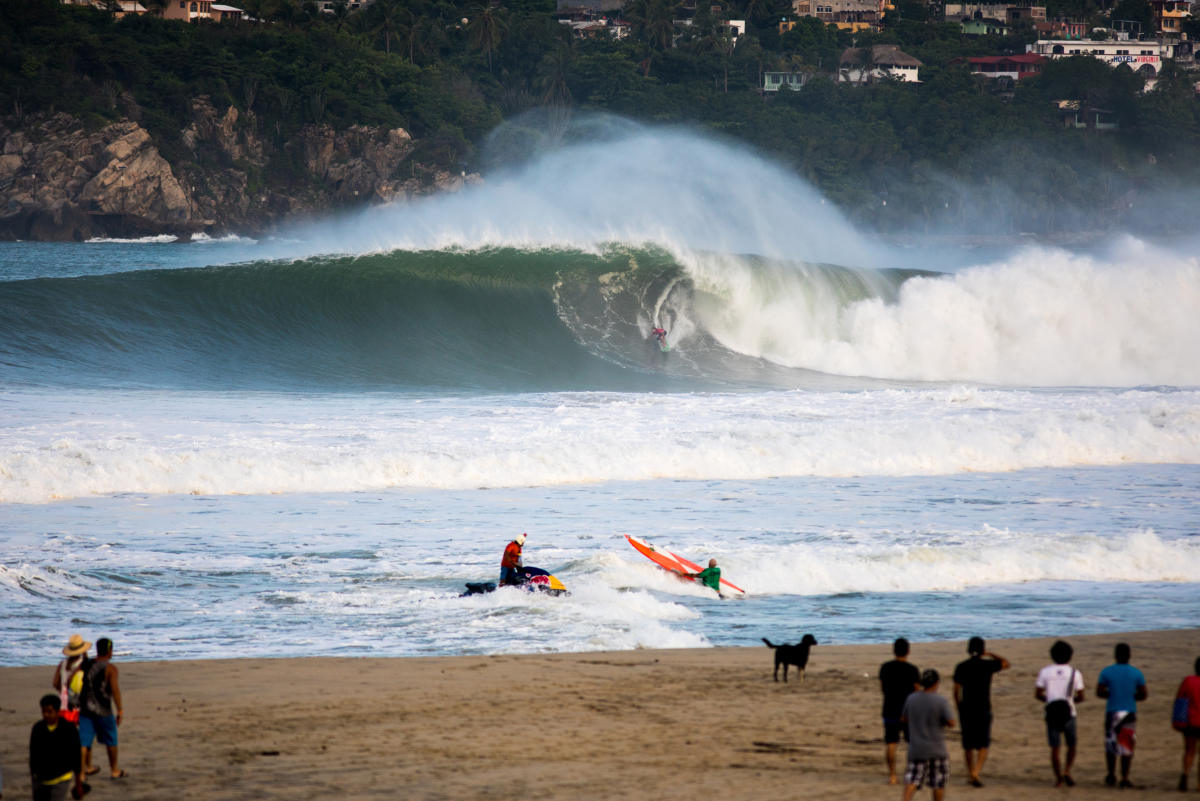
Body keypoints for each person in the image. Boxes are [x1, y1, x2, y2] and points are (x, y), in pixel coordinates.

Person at [952, 636, 1010, 788]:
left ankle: (971, 772)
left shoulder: (961, 666)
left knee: (968, 744)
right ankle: (975, 772)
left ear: (968, 649)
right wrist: (991, 654)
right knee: (983, 742)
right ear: (982, 650)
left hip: (967, 707)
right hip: (983, 706)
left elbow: (956, 691)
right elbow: (1006, 663)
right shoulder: (988, 665)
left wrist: (959, 706)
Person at [900, 669, 956, 801]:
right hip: (937, 748)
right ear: (937, 683)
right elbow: (951, 722)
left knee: (912, 779)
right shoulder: (941, 701)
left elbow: (904, 718)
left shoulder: (912, 698)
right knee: (938, 782)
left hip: (917, 748)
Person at [1035, 639, 1085, 787]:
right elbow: (1081, 696)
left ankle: (1058, 778)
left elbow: (1038, 694)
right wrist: (1069, 701)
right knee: (1071, 744)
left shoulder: (1045, 672)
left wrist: (1050, 700)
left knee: (1055, 747)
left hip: (1052, 713)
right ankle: (1067, 770)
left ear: (1052, 655)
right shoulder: (1075, 673)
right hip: (1069, 712)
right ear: (1070, 656)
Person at [1097, 642, 1147, 788]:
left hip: (1112, 711)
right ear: (1129, 656)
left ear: (1115, 656)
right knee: (1126, 746)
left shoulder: (1107, 672)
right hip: (1129, 712)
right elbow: (1143, 694)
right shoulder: (1136, 673)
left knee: (1111, 744)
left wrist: (1113, 694)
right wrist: (1131, 696)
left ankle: (1111, 774)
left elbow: (1100, 692)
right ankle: (1125, 777)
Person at [78, 637, 125, 780]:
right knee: (111, 740)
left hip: (86, 708)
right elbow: (115, 690)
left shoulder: (87, 665)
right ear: (110, 651)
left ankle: (81, 773)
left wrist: (84, 652)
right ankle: (114, 770)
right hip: (103, 709)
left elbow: (82, 663)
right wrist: (120, 709)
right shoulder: (110, 669)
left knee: (84, 742)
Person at [880, 638, 922, 785]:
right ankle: (911, 773)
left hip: (890, 708)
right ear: (908, 651)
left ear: (894, 650)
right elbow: (917, 691)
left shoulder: (885, 667)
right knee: (911, 743)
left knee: (891, 743)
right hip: (908, 710)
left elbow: (883, 688)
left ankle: (892, 775)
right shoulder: (912, 669)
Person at [29, 694, 84, 801]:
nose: (46, 715)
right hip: (41, 779)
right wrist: (34, 778)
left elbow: (76, 756)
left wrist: (78, 784)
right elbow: (33, 755)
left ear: (58, 712)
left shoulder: (69, 729)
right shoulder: (38, 728)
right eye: (43, 712)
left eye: (49, 712)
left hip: (61, 778)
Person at [1175, 656, 1200, 791]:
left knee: (1189, 751)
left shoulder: (1188, 681)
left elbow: (1180, 699)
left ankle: (1185, 774)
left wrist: (1178, 721)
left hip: (1190, 721)